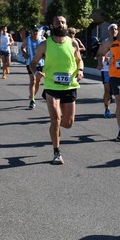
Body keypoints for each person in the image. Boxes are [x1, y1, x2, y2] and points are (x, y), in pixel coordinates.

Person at [30, 15, 84, 165]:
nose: (60, 25)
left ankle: (56, 126)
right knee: (55, 120)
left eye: (63, 22)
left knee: (68, 123)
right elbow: (33, 63)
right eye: (57, 23)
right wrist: (36, 73)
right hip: (51, 86)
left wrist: (80, 70)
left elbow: (80, 60)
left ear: (66, 25)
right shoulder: (44, 45)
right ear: (52, 26)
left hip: (69, 86)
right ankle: (57, 152)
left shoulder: (73, 43)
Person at [96, 24, 118, 118]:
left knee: (117, 91)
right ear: (108, 31)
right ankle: (107, 109)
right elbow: (99, 54)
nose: (114, 31)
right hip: (106, 69)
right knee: (107, 90)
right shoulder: (105, 42)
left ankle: (119, 109)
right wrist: (101, 62)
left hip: (118, 70)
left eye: (116, 29)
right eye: (112, 29)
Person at [21, 26, 45, 109]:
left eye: (36, 31)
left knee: (38, 81)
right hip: (30, 63)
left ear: (39, 31)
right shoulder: (27, 40)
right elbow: (22, 48)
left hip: (40, 63)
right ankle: (32, 100)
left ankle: (32, 95)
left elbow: (46, 50)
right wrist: (24, 53)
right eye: (34, 31)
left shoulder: (42, 39)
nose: (35, 32)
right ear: (31, 31)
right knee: (33, 80)